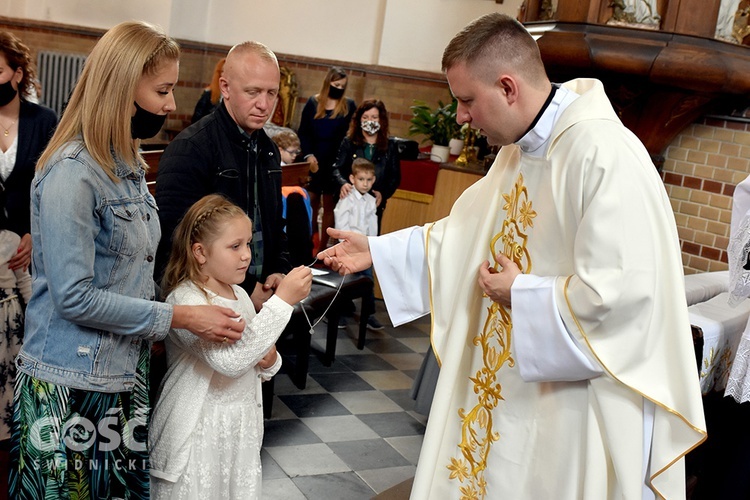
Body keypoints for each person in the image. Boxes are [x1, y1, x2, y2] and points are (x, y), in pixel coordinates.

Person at [319, 13, 706, 499]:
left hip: (572, 404)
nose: (460, 116)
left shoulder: (604, 154)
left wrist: (522, 293)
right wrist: (376, 249)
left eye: (466, 100)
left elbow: (623, 295)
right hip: (507, 386)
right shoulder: (519, 149)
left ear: (507, 87)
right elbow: (461, 236)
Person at [9, 21, 246, 498]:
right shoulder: (71, 174)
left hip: (123, 373)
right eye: (162, 90)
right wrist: (180, 316)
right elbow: (74, 298)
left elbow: (132, 271)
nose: (171, 104)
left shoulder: (128, 166)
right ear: (121, 87)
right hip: (67, 382)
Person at [150, 194, 311, 499]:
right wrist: (281, 303)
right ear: (200, 252)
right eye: (234, 246)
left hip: (240, 427)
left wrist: (270, 359)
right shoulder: (186, 299)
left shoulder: (240, 294)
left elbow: (261, 363)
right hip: (197, 430)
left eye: (248, 244)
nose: (246, 255)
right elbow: (231, 362)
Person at [156, 41, 291, 313]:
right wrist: (246, 287)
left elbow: (274, 223)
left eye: (271, 93)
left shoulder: (267, 149)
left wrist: (279, 270)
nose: (264, 104)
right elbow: (177, 240)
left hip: (258, 290)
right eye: (252, 92)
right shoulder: (191, 147)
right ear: (226, 88)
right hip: (208, 298)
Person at [0, 31, 56, 482]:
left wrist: (35, 234)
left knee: (23, 333)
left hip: (27, 243)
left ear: (17, 73)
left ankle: (18, 418)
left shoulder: (42, 120)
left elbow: (51, 186)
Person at [297, 66, 356, 250]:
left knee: (330, 204)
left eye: (342, 85)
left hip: (335, 160)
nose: (338, 88)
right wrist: (308, 155)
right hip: (315, 158)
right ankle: (309, 243)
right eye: (336, 84)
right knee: (312, 200)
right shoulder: (313, 103)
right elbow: (304, 132)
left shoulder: (348, 105)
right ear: (328, 82)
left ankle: (324, 247)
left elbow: (350, 135)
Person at [331, 99, 401, 234]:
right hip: (350, 198)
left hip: (375, 202)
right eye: (366, 117)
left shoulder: (390, 146)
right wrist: (343, 184)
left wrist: (383, 194)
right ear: (359, 120)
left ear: (381, 120)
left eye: (374, 117)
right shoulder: (349, 142)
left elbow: (395, 177)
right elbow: (336, 168)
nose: (370, 121)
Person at [333, 158, 380, 330]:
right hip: (348, 247)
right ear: (352, 179)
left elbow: (372, 224)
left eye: (369, 180)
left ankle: (369, 315)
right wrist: (344, 243)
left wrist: (372, 244)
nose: (365, 184)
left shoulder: (370, 200)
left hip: (365, 248)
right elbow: (341, 221)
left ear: (373, 180)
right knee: (345, 280)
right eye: (361, 179)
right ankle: (338, 313)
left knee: (367, 280)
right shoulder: (347, 198)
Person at [190, 57, 225, 124]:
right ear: (219, 73)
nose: (226, 74)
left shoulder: (234, 95)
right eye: (223, 71)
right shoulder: (209, 93)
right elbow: (197, 117)